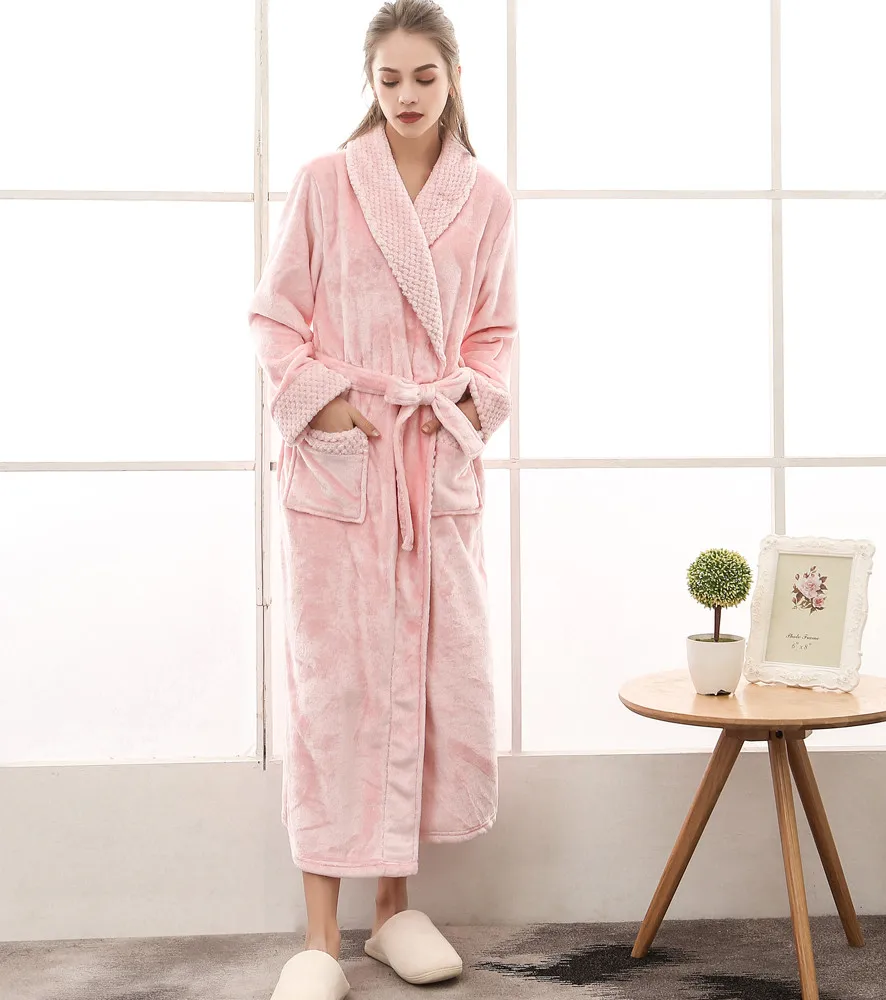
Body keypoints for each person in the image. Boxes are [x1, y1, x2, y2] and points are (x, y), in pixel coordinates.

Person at [247, 2, 517, 996]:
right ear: (370, 81)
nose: (406, 95)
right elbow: (275, 317)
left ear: (454, 78)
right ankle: (320, 937)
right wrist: (324, 408)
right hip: (344, 464)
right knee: (334, 690)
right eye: (389, 78)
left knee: (424, 677)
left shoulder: (484, 199)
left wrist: (465, 404)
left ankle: (393, 911)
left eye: (423, 77)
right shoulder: (326, 182)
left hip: (428, 461)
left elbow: (495, 336)